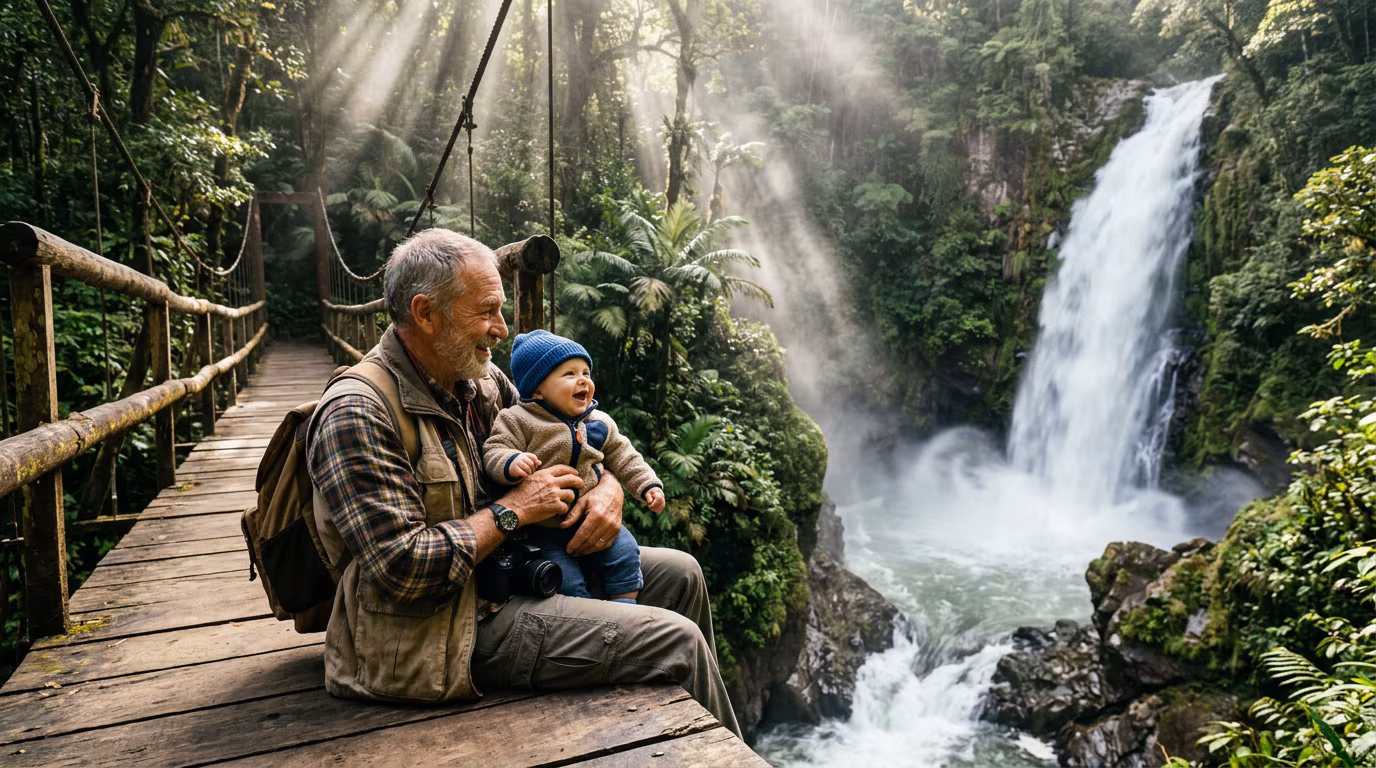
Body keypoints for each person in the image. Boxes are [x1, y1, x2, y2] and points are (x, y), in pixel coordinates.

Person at [306, 228, 739, 737]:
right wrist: (513, 511)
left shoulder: (479, 381)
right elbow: (401, 571)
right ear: (425, 314)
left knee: (683, 572)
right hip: (445, 626)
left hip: (519, 569)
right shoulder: (356, 413)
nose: (502, 329)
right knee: (678, 640)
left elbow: (571, 436)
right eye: (487, 311)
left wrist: (607, 489)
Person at [482, 329, 665, 605]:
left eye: (586, 373)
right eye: (569, 374)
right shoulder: (517, 419)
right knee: (564, 579)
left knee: (626, 553)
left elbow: (625, 456)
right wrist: (511, 462)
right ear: (537, 389)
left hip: (592, 519)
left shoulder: (598, 422)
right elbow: (494, 449)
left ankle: (626, 608)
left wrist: (648, 485)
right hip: (546, 528)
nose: (583, 380)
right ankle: (589, 613)